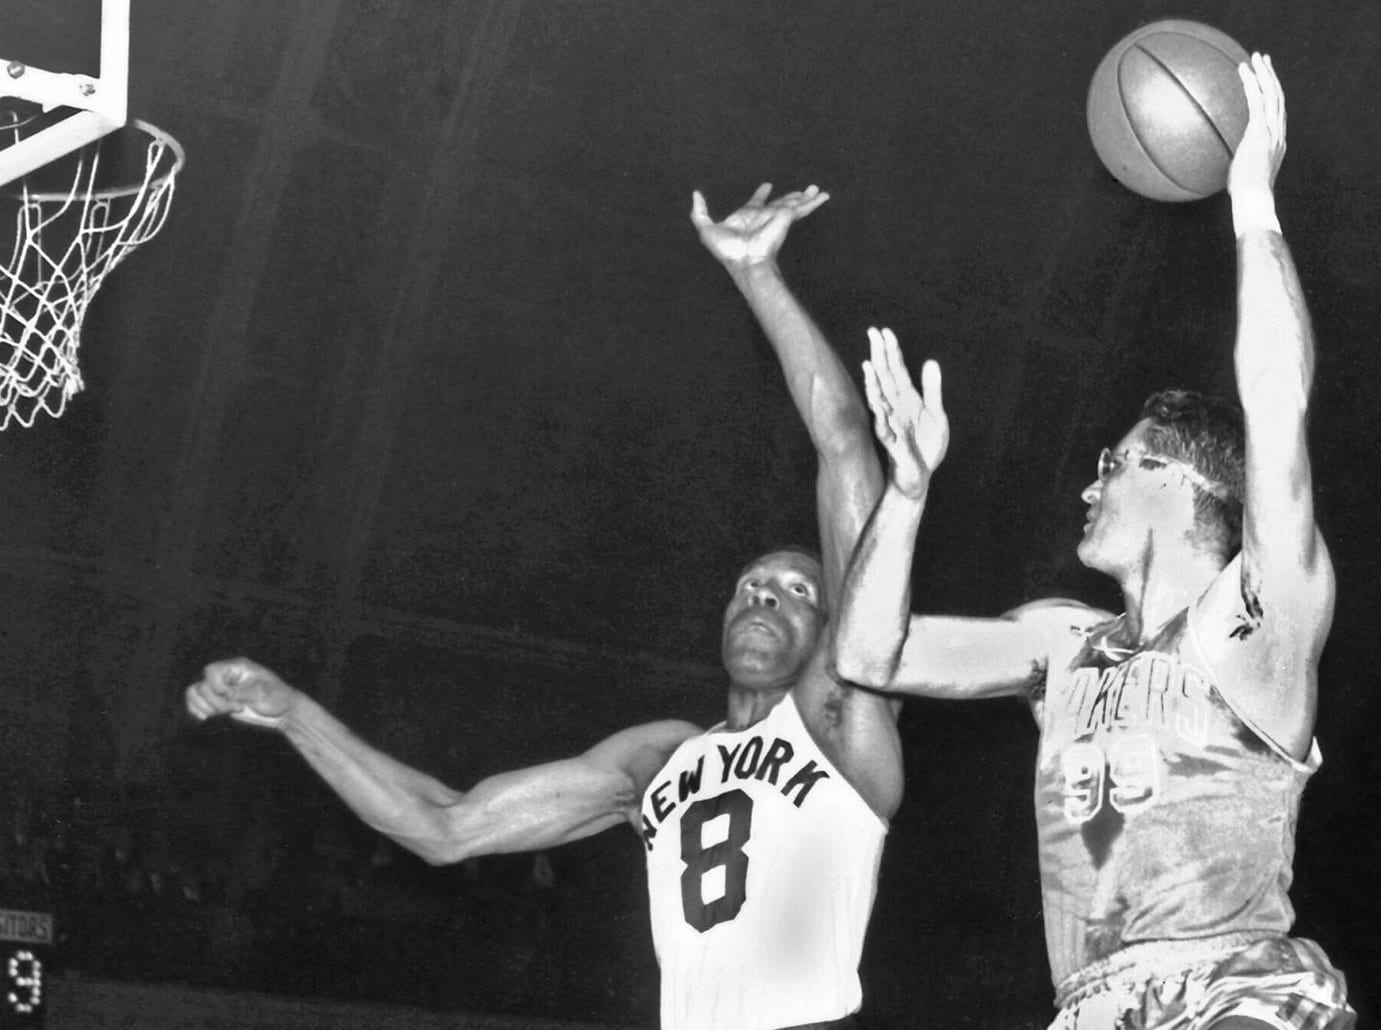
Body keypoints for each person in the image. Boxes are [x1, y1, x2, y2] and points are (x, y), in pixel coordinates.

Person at [184, 184, 902, 1030]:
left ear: (834, 628)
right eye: (750, 585)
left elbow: (846, 448)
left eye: (795, 591)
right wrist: (292, 712)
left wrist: (757, 276)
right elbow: (444, 826)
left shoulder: (838, 709)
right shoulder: (657, 760)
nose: (762, 597)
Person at [832, 55, 1355, 1029]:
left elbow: (1277, 410)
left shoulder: (1260, 619)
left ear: (1185, 478)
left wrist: (1252, 206)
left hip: (1236, 989)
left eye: (1114, 463)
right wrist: (905, 493)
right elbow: (869, 654)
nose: (1088, 481)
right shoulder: (1060, 644)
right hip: (1093, 1008)